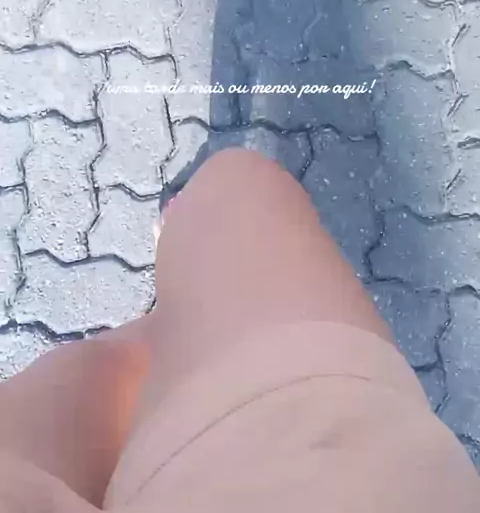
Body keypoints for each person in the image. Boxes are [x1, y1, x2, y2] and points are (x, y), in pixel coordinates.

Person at [0, 148, 477, 510]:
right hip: (311, 464)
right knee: (236, 185)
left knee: (107, 376)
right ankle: (181, 280)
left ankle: (176, 300)